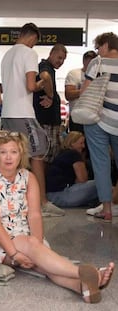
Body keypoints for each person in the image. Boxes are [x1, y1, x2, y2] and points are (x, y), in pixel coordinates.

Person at [0, 130, 114, 304]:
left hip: (25, 236)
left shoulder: (28, 177)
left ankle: (82, 287)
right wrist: (15, 254)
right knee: (38, 254)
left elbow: (35, 215)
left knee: (43, 264)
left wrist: (37, 246)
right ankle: (82, 272)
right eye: (3, 152)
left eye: (14, 152)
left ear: (21, 155)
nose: (8, 157)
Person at [0, 22, 64, 217]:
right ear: (32, 38)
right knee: (39, 152)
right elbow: (30, 85)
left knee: (14, 156)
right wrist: (43, 81)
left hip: (7, 113)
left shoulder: (7, 55)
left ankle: (16, 201)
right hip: (23, 112)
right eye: (35, 42)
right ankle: (42, 203)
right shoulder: (29, 53)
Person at [79, 32, 118, 222]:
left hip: (98, 121)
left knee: (101, 164)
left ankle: (107, 210)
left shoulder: (98, 63)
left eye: (98, 47)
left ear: (105, 45)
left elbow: (86, 92)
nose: (97, 51)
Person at [33, 43, 68, 164]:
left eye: (63, 59)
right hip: (46, 122)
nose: (61, 61)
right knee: (47, 156)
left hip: (48, 121)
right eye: (59, 58)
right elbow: (45, 77)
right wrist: (51, 96)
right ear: (51, 54)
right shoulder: (45, 66)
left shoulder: (48, 67)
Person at [45, 131, 98, 207]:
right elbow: (83, 179)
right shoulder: (74, 154)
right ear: (72, 143)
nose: (83, 146)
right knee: (101, 183)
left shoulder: (61, 154)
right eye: (81, 143)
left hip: (50, 196)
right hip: (63, 195)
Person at [64, 50, 97, 133]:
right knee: (76, 143)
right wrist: (86, 90)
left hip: (94, 117)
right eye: (88, 61)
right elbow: (68, 95)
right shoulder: (74, 74)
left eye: (93, 61)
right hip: (77, 117)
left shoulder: (100, 76)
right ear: (83, 61)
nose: (90, 64)